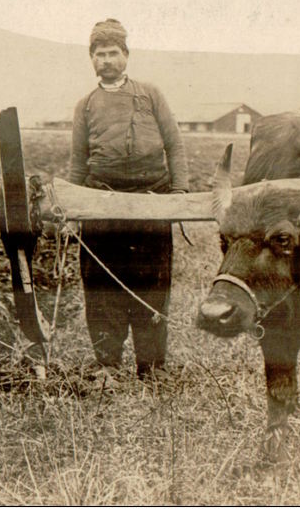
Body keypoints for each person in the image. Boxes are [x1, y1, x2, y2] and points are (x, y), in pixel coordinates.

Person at [69, 19, 189, 379]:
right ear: (92, 60)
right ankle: (107, 365)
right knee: (102, 286)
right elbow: (78, 159)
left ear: (126, 56)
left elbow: (174, 144)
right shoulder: (86, 105)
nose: (107, 60)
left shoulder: (150, 95)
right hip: (101, 206)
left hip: (151, 203)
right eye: (100, 54)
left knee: (152, 284)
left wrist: (179, 194)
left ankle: (152, 366)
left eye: (113, 53)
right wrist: (75, 207)